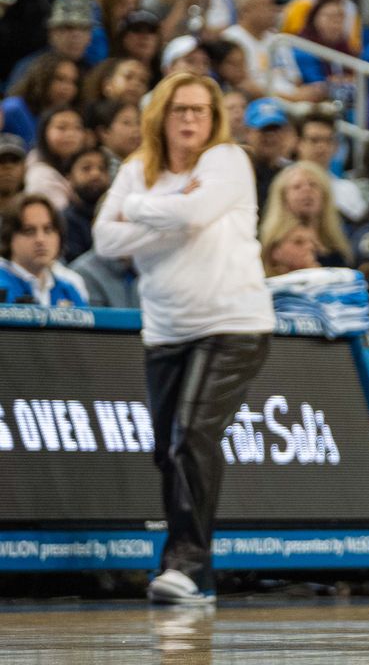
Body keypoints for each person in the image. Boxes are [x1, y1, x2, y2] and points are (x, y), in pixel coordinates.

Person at [93, 72, 275, 604]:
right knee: (167, 451)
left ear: (213, 117)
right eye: (180, 110)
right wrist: (173, 211)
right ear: (161, 117)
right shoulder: (136, 168)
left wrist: (141, 210)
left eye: (199, 109)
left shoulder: (226, 161)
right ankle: (195, 572)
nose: (190, 119)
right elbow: (105, 237)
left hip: (233, 324)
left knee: (191, 434)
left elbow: (195, 215)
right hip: (165, 329)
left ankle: (188, 566)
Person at [0, 193, 88, 306]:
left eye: (48, 230)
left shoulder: (68, 290)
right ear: (8, 238)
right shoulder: (2, 285)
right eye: (29, 231)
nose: (40, 239)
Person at [23, 105, 87, 211]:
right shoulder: (39, 174)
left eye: (77, 128)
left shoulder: (74, 166)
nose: (71, 134)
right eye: (61, 128)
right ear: (44, 132)